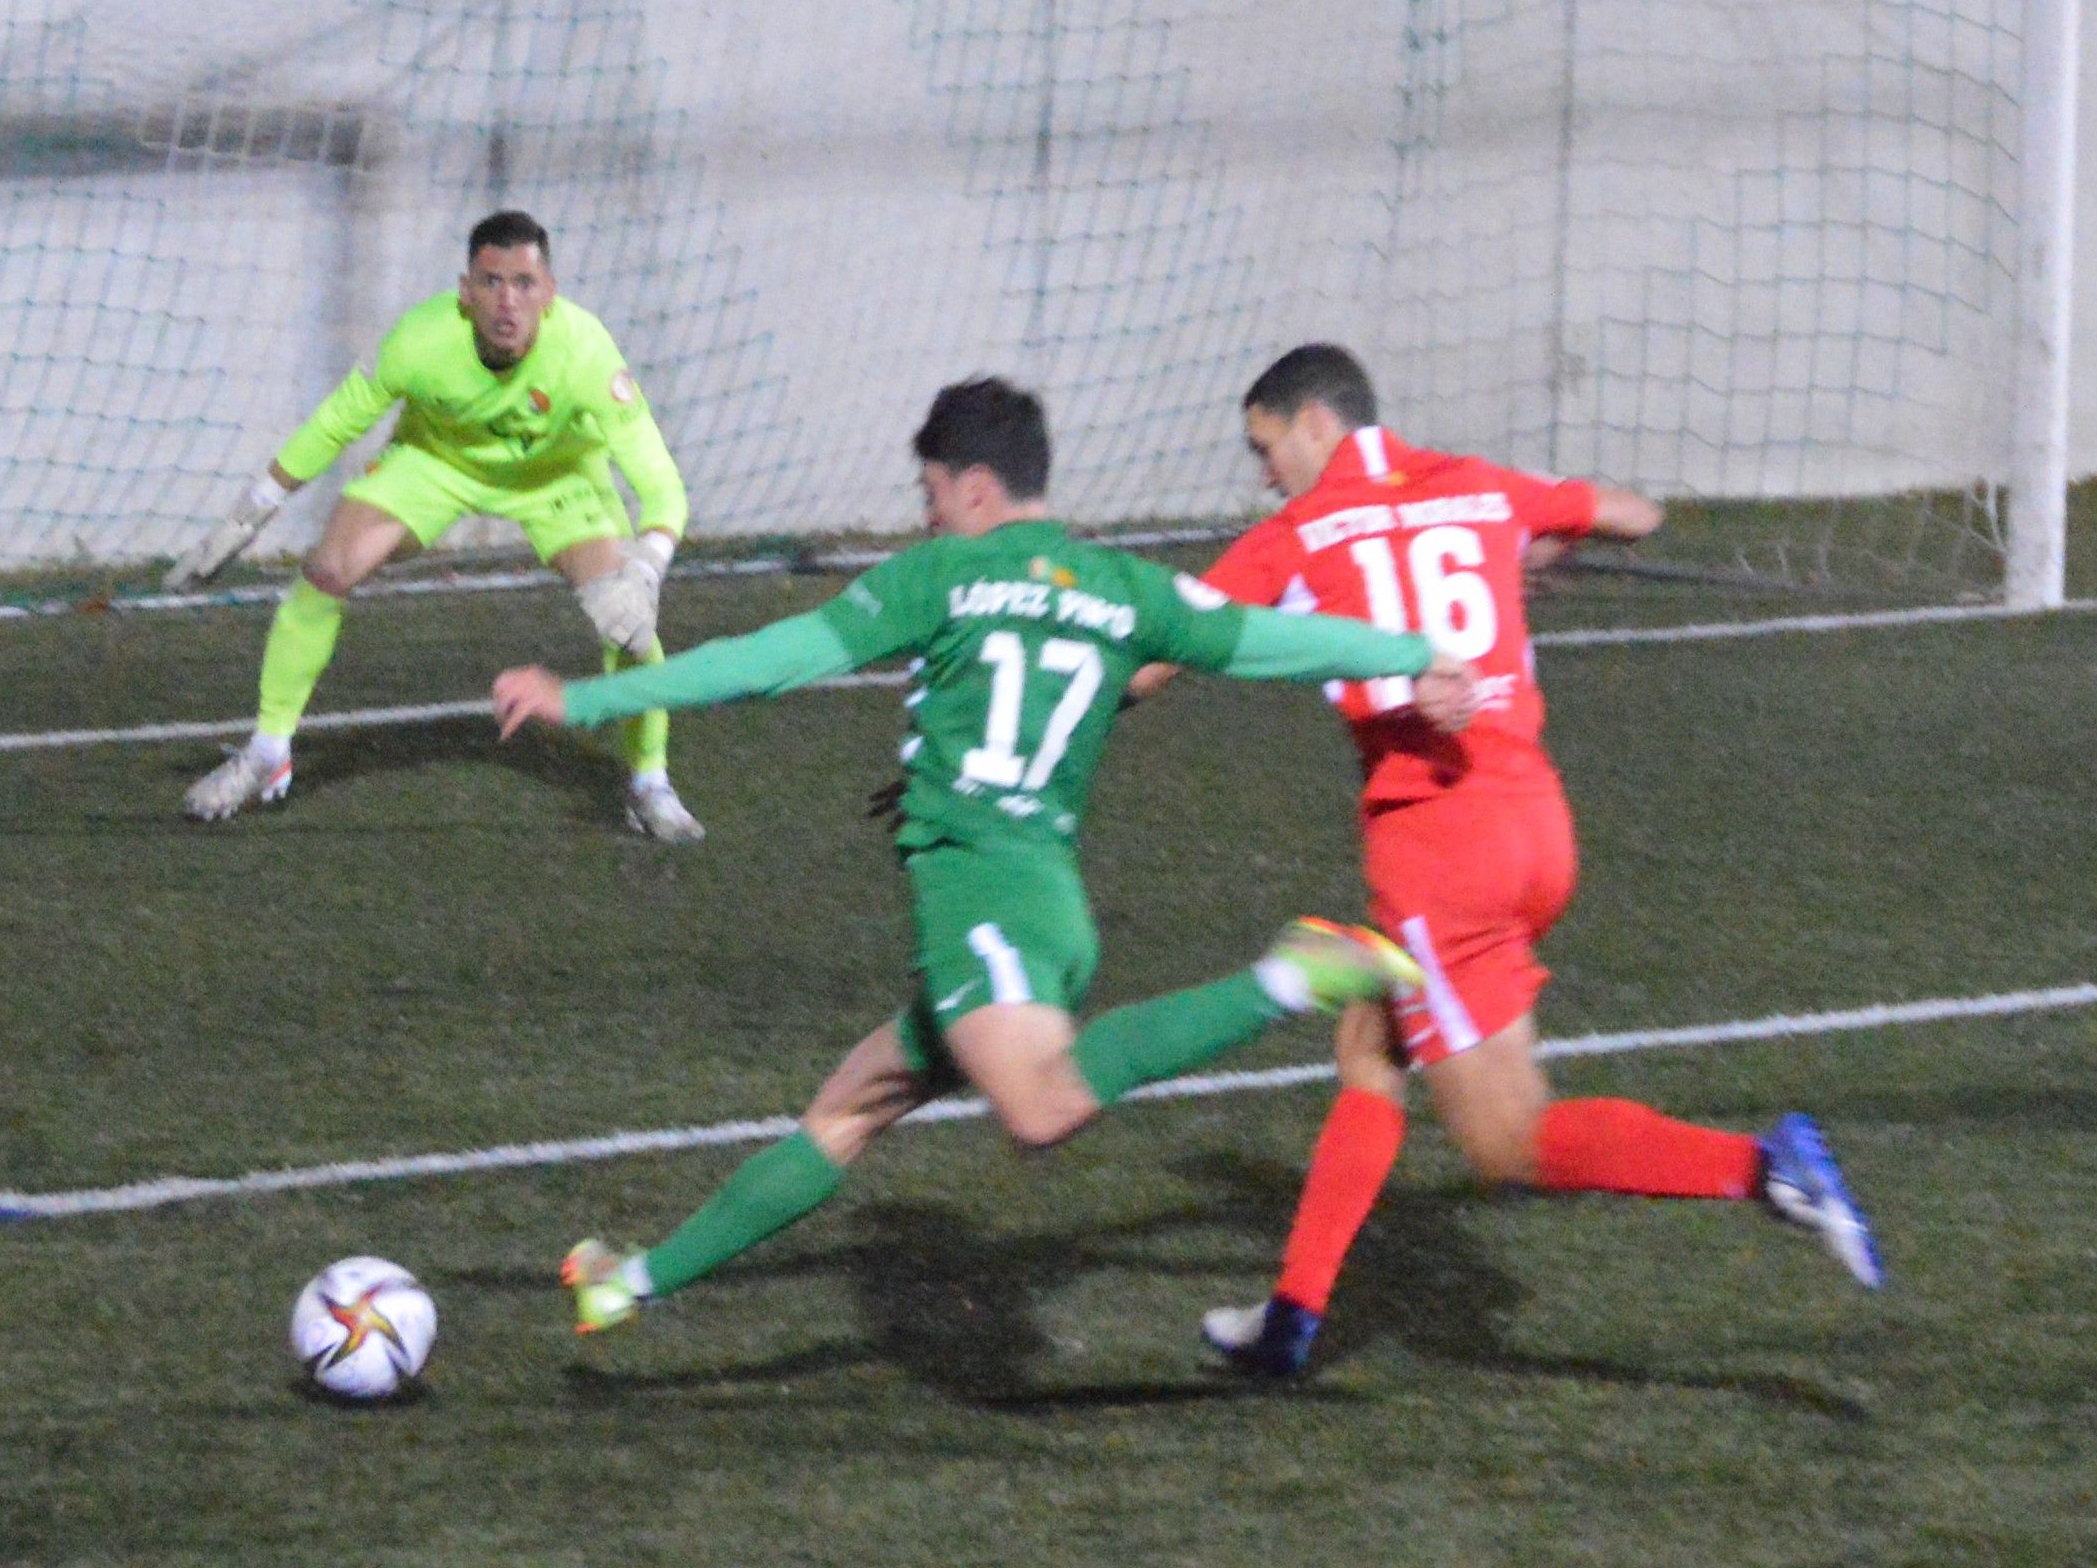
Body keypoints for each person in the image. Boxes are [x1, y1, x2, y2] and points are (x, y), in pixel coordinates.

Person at [495, 376, 1466, 1340]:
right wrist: (1409, 649)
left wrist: (583, 700)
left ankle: (1289, 977)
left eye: (927, 497)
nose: (927, 519)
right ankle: (633, 1281)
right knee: (849, 1110)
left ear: (969, 487)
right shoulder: (1125, 586)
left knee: (1040, 1108)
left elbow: (770, 659)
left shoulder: (942, 578)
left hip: (981, 899)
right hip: (1043, 899)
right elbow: (1269, 641)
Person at [1169, 344, 1881, 1381]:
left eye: (1265, 446)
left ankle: (1767, 1168)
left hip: (1440, 853)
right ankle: (1291, 1318)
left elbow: (1163, 641)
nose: (1264, 472)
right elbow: (1632, 516)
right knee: (1374, 1044)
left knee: (1509, 1141)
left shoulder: (1298, 532)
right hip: (1535, 827)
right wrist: (1525, 556)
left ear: (1316, 424)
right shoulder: (1477, 484)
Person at [177, 212, 702, 841]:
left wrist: (647, 566)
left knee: (629, 622)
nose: (509, 301)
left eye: (525, 283)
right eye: (492, 281)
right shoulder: (420, 341)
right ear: (465, 290)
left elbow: (660, 480)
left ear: (550, 291)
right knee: (325, 570)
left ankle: (650, 783)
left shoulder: (587, 353)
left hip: (558, 480)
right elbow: (336, 422)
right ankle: (267, 752)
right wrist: (250, 511)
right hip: (436, 463)